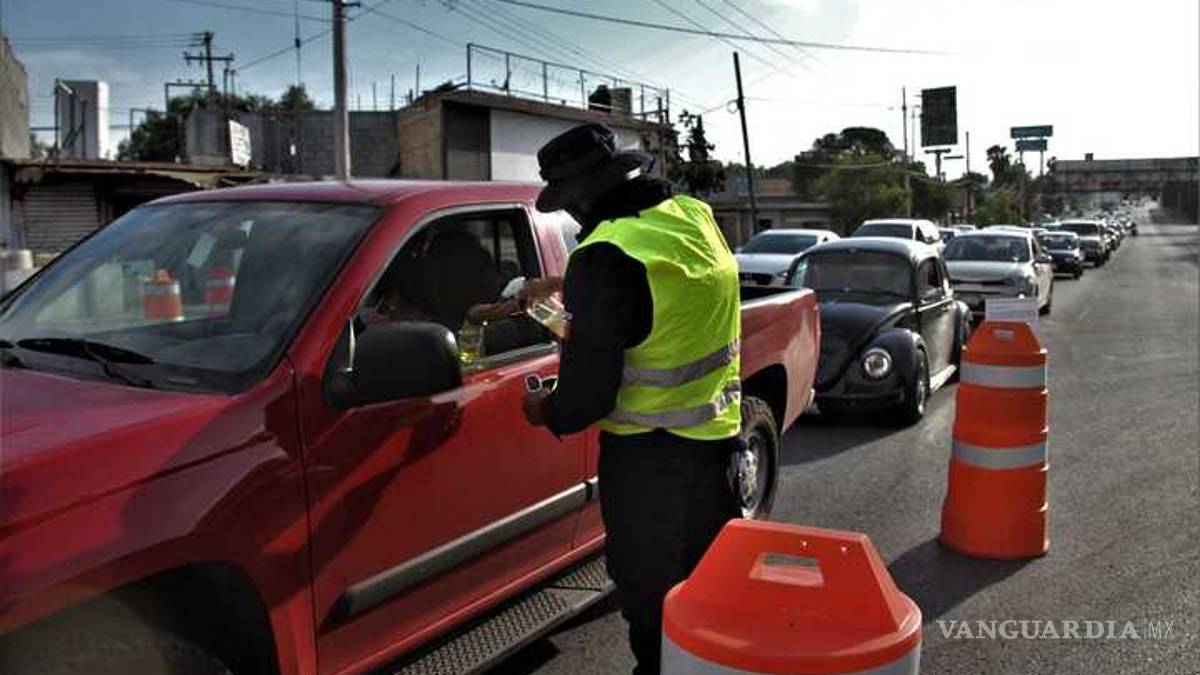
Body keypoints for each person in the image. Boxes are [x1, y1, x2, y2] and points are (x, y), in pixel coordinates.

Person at [521, 123, 742, 674]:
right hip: (716, 443)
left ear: (582, 197)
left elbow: (586, 400)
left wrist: (544, 408)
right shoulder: (692, 216)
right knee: (708, 593)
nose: (572, 218)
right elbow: (665, 289)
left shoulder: (603, 255)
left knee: (653, 607)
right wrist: (567, 287)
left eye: (569, 204)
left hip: (649, 466)